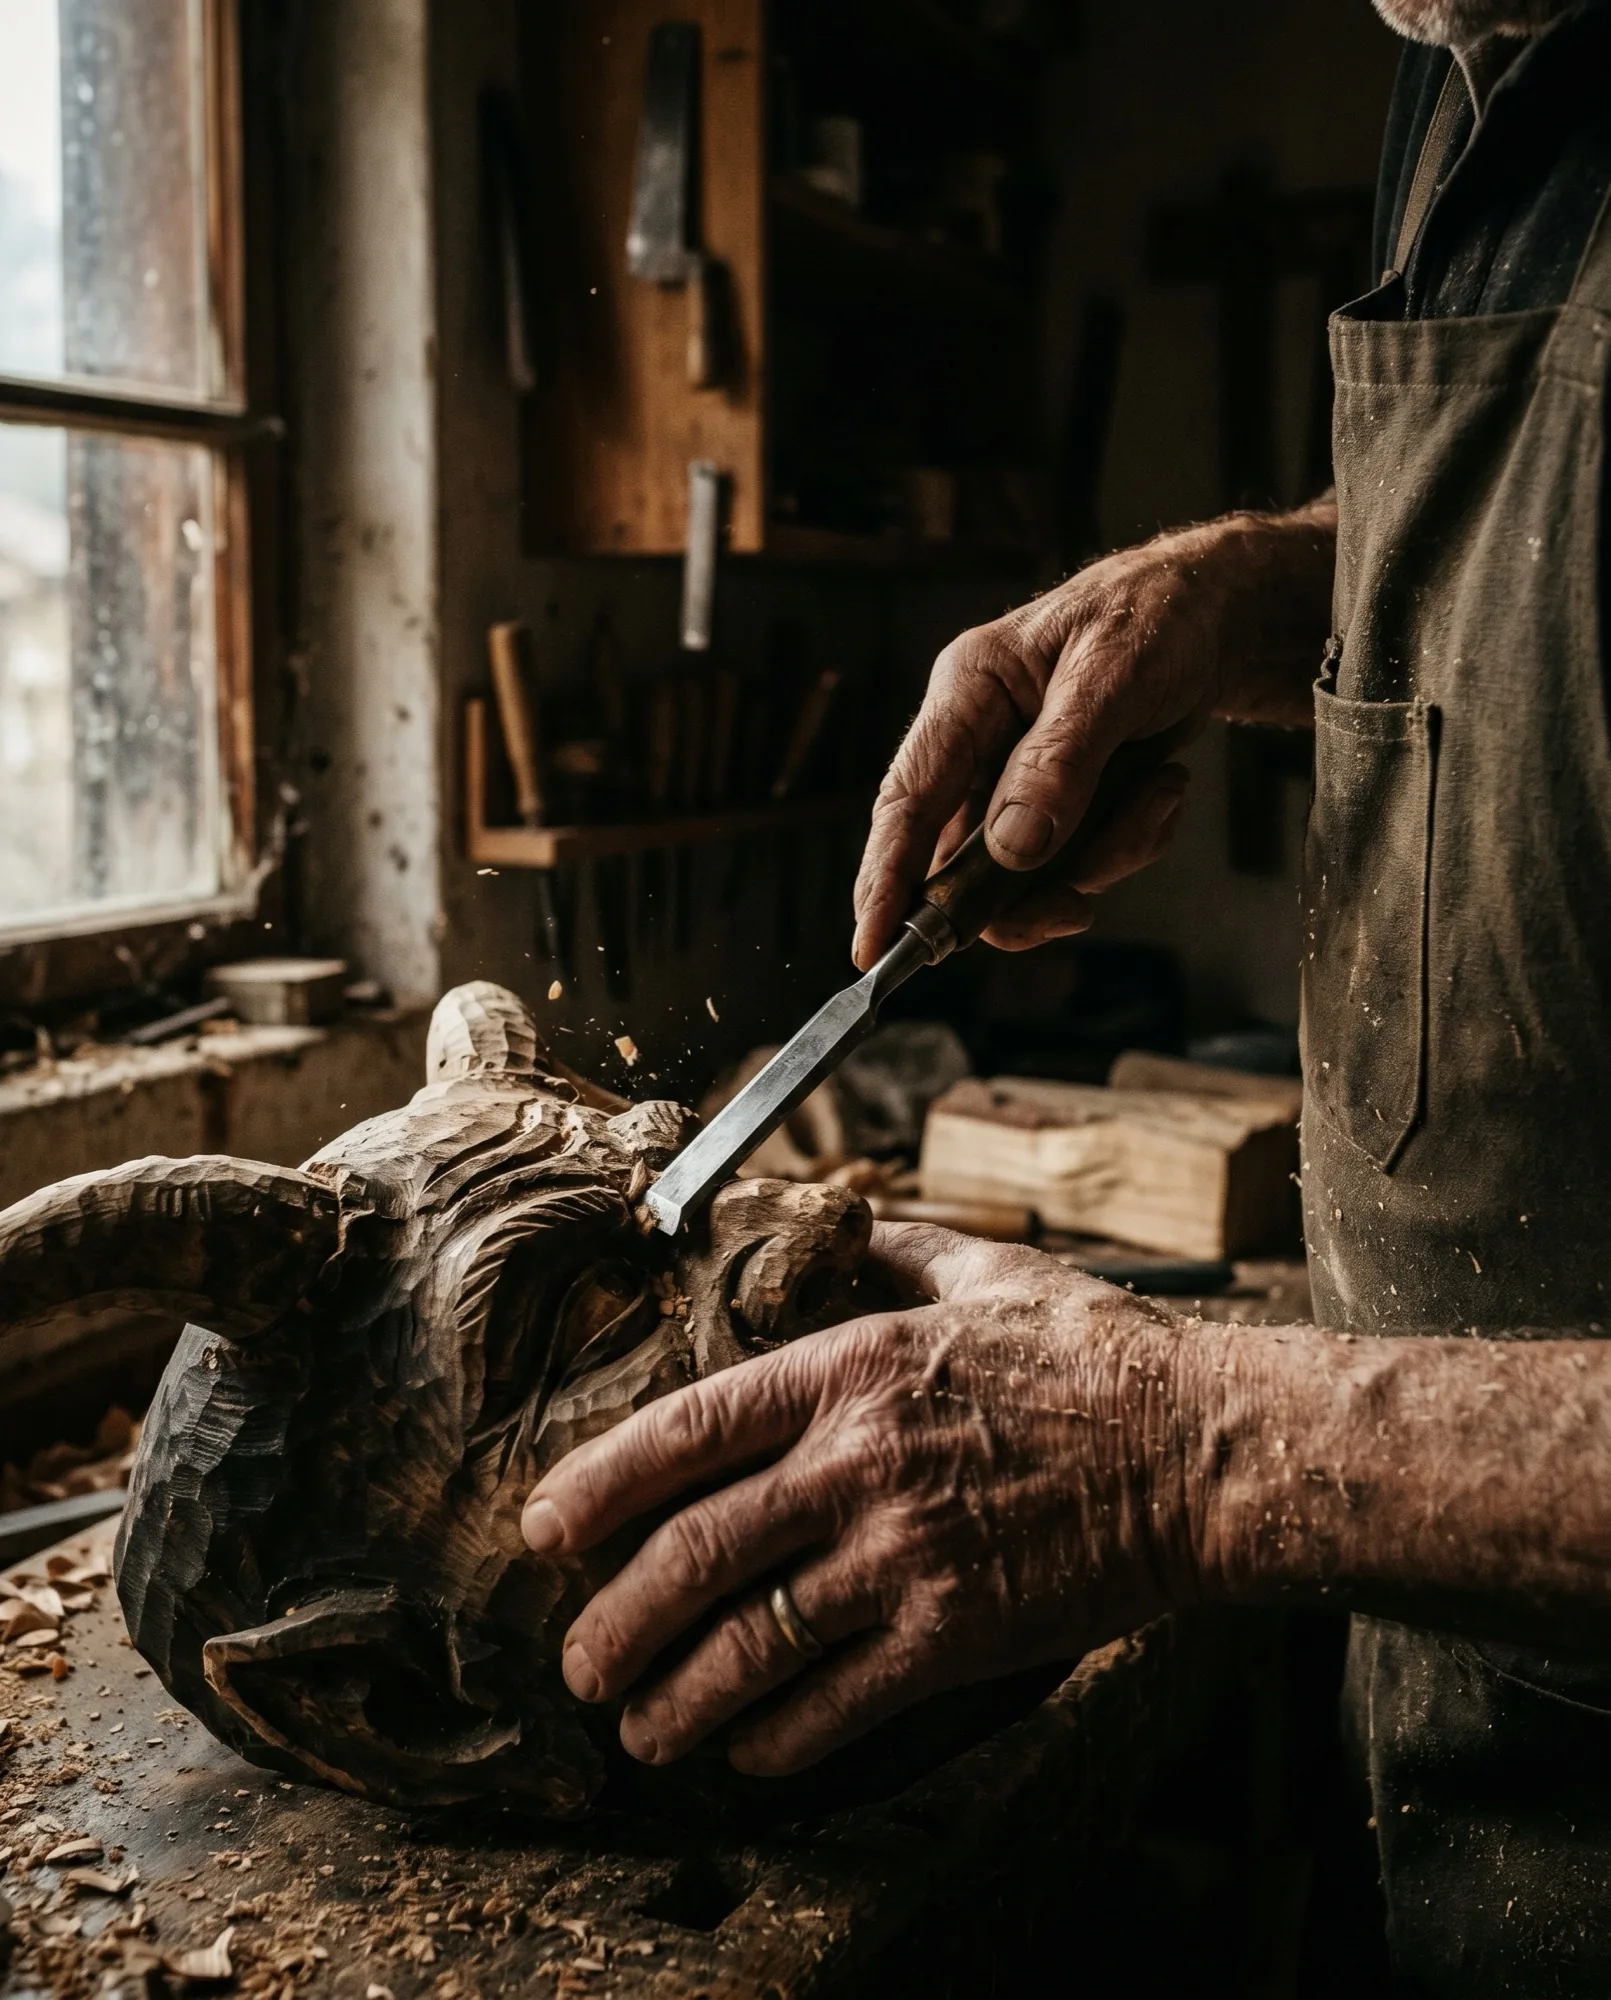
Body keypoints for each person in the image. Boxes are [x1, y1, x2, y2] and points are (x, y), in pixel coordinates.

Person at [523, 0, 1611, 1986]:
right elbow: (1552, 524)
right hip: (1478, 1771)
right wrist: (1258, 591)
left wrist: (1192, 1446)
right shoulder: (1474, 60)